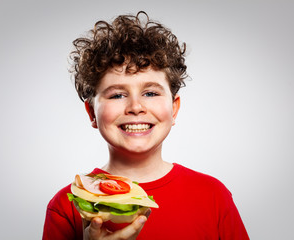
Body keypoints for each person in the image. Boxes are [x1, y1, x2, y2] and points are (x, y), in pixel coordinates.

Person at [43, 11, 249, 240]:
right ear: (92, 112)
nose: (136, 106)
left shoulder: (213, 196)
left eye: (150, 93)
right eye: (117, 95)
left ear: (174, 109)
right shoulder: (65, 206)